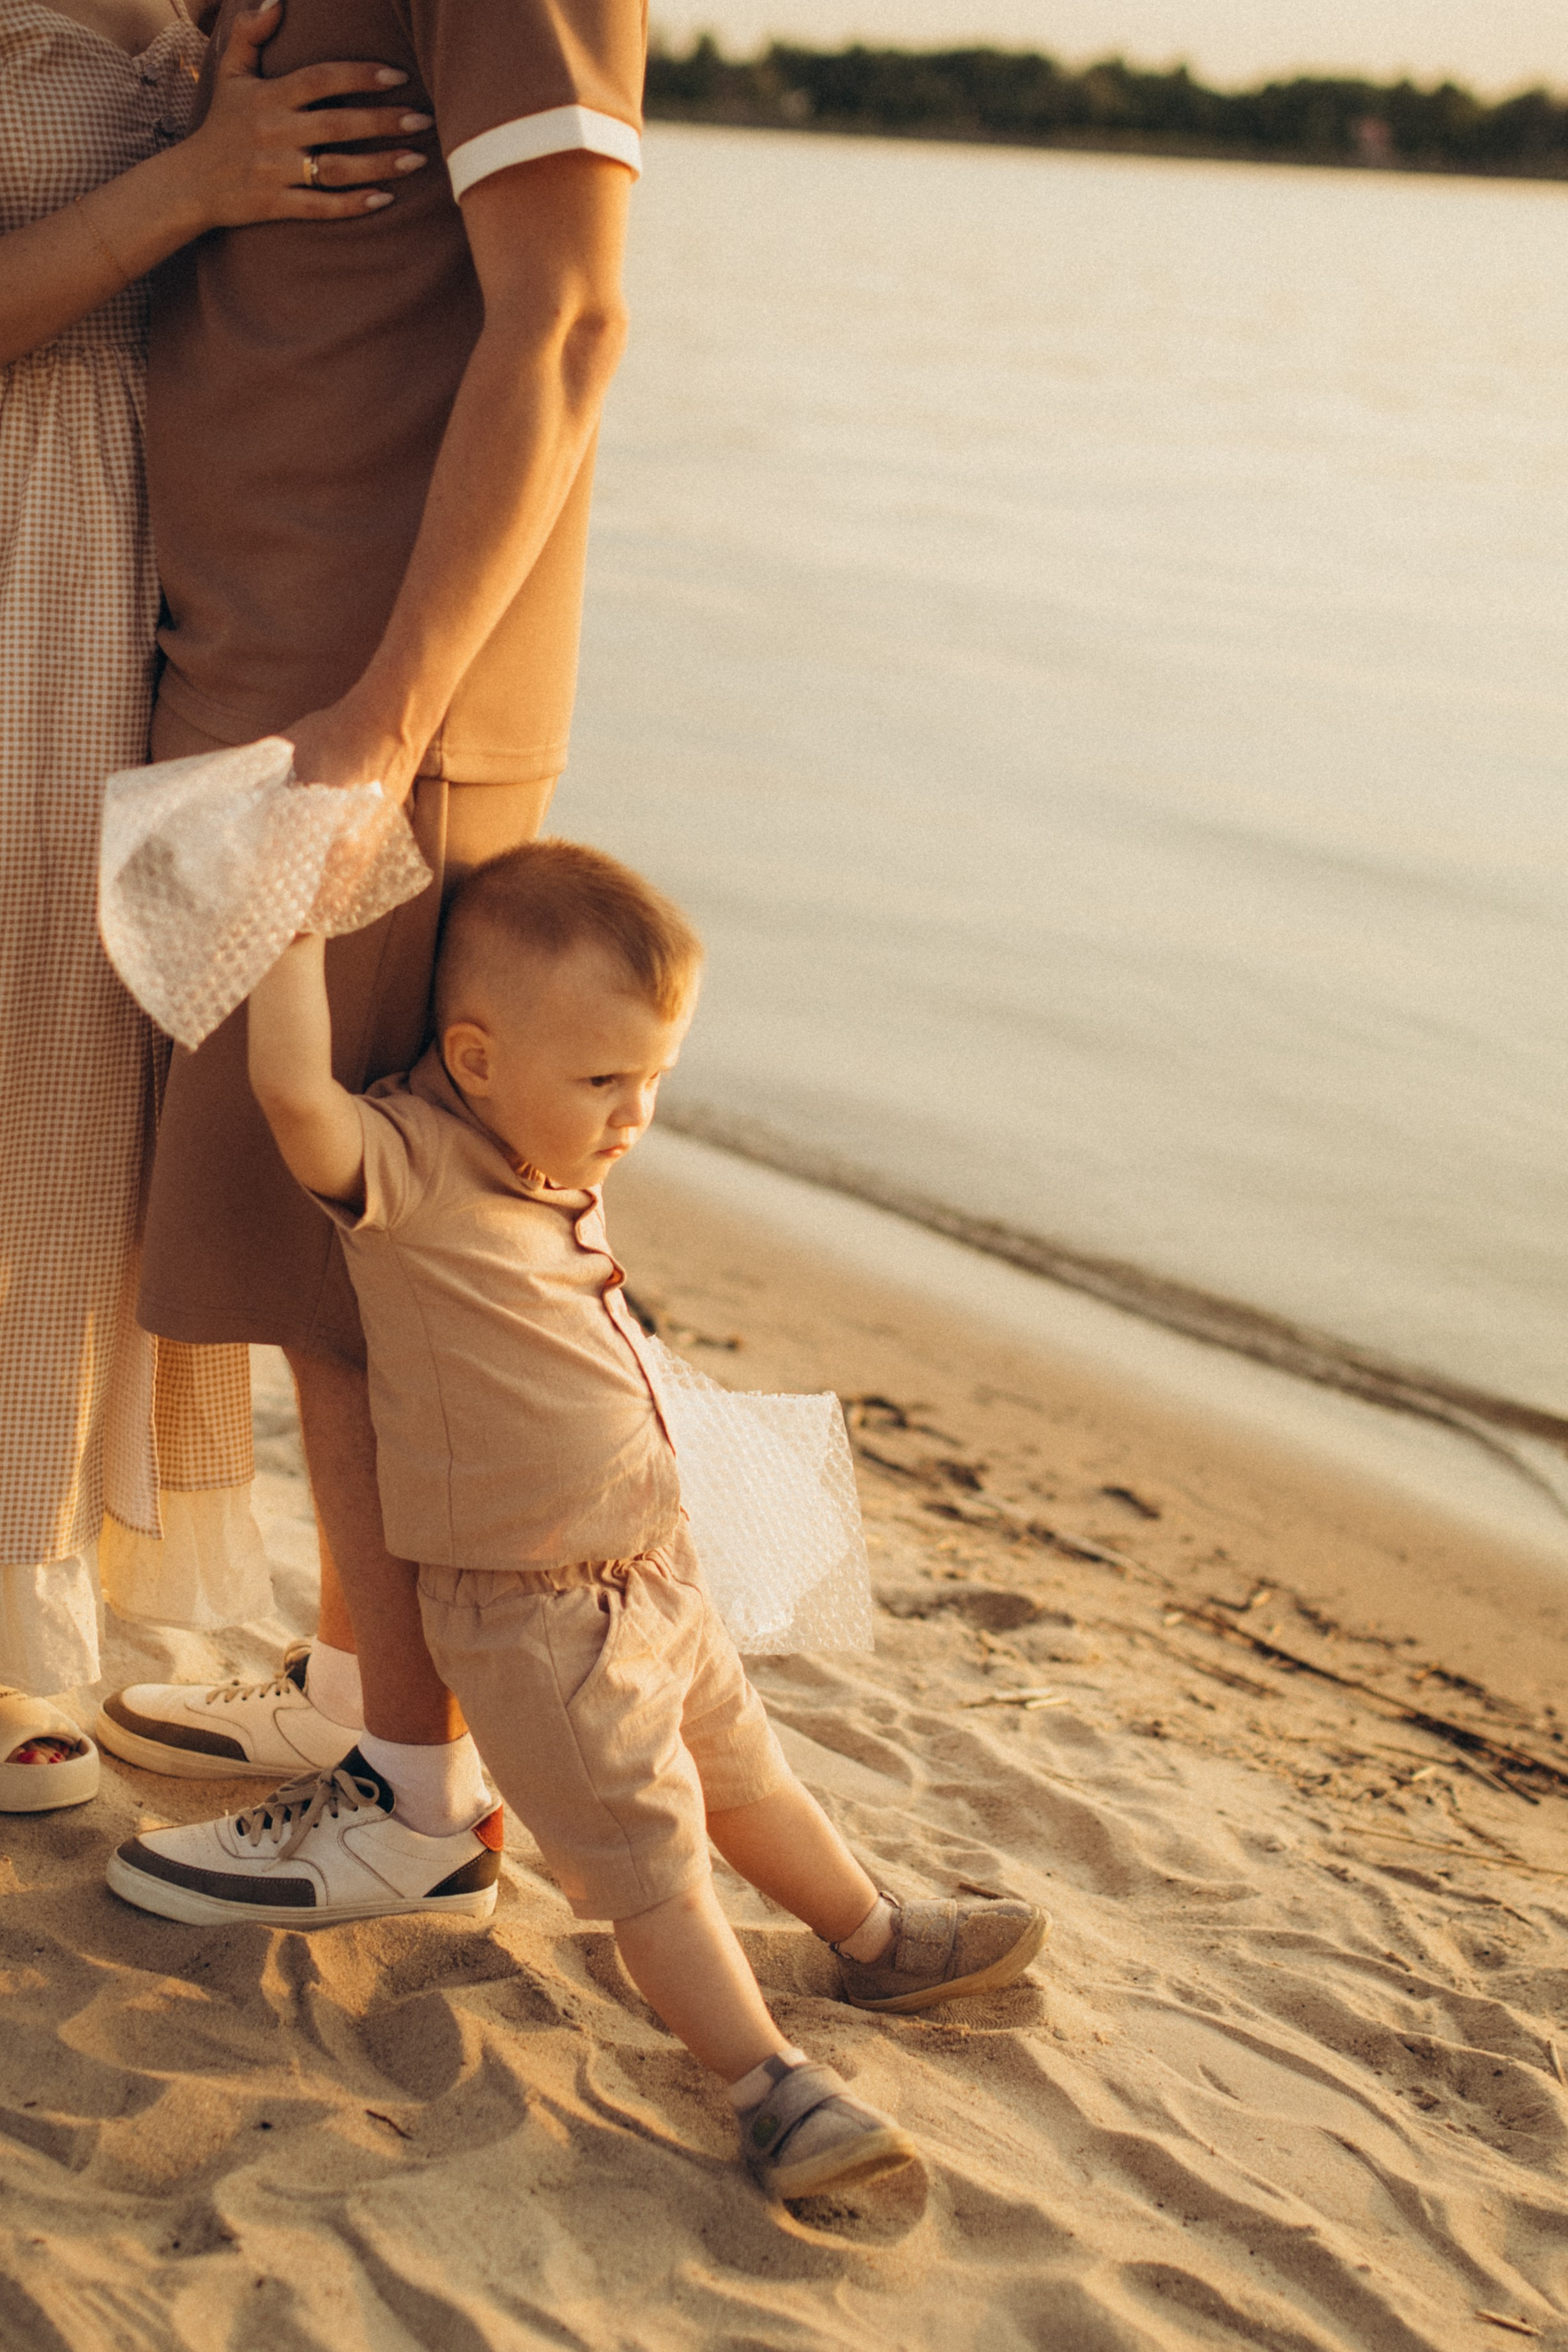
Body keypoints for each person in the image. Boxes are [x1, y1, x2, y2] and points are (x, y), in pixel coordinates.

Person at [109, 840, 1051, 2200]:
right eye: (603, 1079)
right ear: (477, 1057)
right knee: (647, 1862)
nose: (633, 1113)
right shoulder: (416, 1166)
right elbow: (289, 1095)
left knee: (747, 1771)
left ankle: (871, 1932)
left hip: (652, 1572)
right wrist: (298, 928)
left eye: (654, 1078)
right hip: (532, 1612)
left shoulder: (553, 1159)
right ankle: (765, 2080)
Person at [95, 0, 645, 1865]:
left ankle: (409, 1799)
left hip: (375, 725)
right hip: (266, 685)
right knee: (285, 1239)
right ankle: (355, 1678)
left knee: (363, 1265)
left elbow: (568, 322)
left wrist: (387, 728)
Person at [0, 0, 426, 1796]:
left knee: (89, 1098)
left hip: (171, 583)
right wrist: (193, 184)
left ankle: (31, 1610)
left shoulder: (221, 1)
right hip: (18, 533)